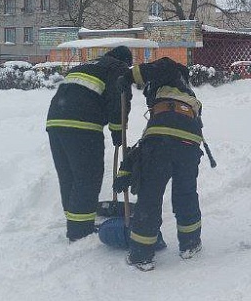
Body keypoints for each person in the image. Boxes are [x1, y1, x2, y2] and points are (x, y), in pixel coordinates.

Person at [115, 57, 205, 271]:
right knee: (186, 194)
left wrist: (128, 76)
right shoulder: (188, 94)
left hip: (161, 142)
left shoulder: (171, 71)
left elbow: (161, 66)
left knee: (150, 195)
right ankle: (190, 244)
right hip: (190, 143)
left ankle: (141, 255)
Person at [46, 46, 133, 241]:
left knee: (69, 176)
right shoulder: (118, 68)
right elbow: (118, 101)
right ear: (125, 61)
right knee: (88, 177)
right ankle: (80, 231)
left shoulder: (87, 65)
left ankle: (75, 222)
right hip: (82, 124)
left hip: (54, 122)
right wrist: (118, 132)